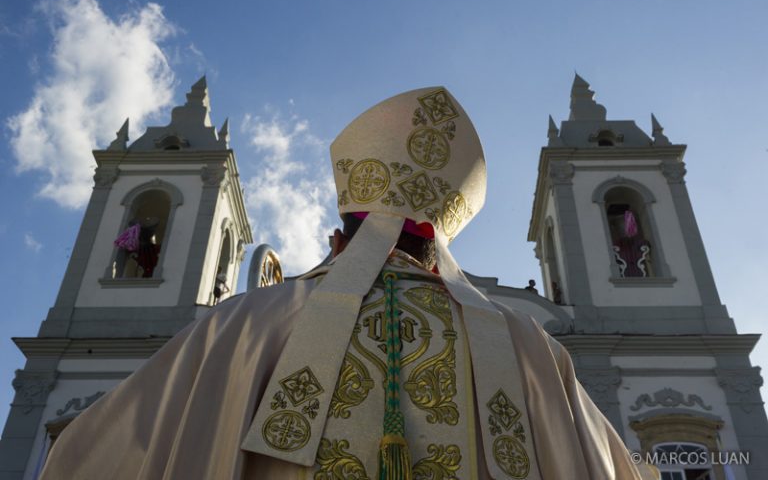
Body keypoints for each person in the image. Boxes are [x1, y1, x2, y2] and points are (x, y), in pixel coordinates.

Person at [40, 87, 656, 479]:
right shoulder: (530, 346)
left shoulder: (245, 323)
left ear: (342, 239)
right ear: (439, 242)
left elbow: (88, 454)